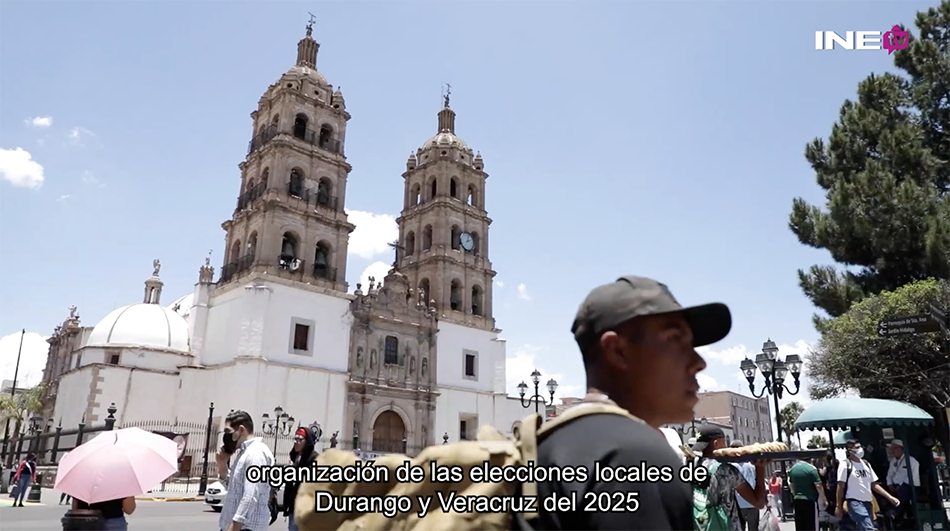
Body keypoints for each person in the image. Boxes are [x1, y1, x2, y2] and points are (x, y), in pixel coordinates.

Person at [526, 275, 735, 531]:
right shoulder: (637, 457)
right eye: (675, 340)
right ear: (617, 351)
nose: (699, 362)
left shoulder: (547, 445)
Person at [696, 426, 768, 531]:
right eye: (724, 443)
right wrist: (760, 468)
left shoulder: (692, 467)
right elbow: (758, 502)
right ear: (716, 444)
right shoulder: (725, 470)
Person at [217, 410, 274, 531]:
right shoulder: (245, 452)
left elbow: (250, 495)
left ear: (241, 430)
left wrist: (234, 527)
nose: (225, 436)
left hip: (245, 528)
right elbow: (235, 489)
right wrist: (222, 464)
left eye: (228, 431)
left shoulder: (256, 453)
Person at [835, 439, 900, 531]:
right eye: (857, 447)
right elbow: (840, 486)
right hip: (855, 502)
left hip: (868, 502)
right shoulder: (845, 464)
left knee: (864, 527)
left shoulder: (866, 464)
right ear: (850, 450)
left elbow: (873, 484)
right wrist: (838, 506)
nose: (860, 449)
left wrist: (890, 497)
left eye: (860, 447)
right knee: (868, 528)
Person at [283, 426, 317, 531]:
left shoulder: (315, 459)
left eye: (300, 439)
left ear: (307, 442)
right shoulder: (296, 457)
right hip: (293, 508)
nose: (296, 442)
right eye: (295, 439)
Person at [789, 457, 828, 531]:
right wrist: (824, 499)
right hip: (810, 500)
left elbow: (791, 485)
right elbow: (818, 485)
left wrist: (795, 494)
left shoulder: (793, 469)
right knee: (812, 525)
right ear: (810, 460)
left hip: (797, 500)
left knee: (800, 524)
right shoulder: (811, 469)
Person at [729, 440, 760, 531]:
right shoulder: (751, 466)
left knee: (739, 528)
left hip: (737, 504)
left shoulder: (731, 466)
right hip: (753, 502)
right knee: (754, 528)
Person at [885, 439, 919, 520]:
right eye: (892, 448)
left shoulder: (912, 461)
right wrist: (890, 484)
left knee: (903, 490)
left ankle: (895, 511)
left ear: (901, 449)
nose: (892, 451)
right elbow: (889, 475)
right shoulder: (893, 461)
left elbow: (912, 478)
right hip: (895, 485)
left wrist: (900, 485)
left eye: (895, 448)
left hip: (910, 486)